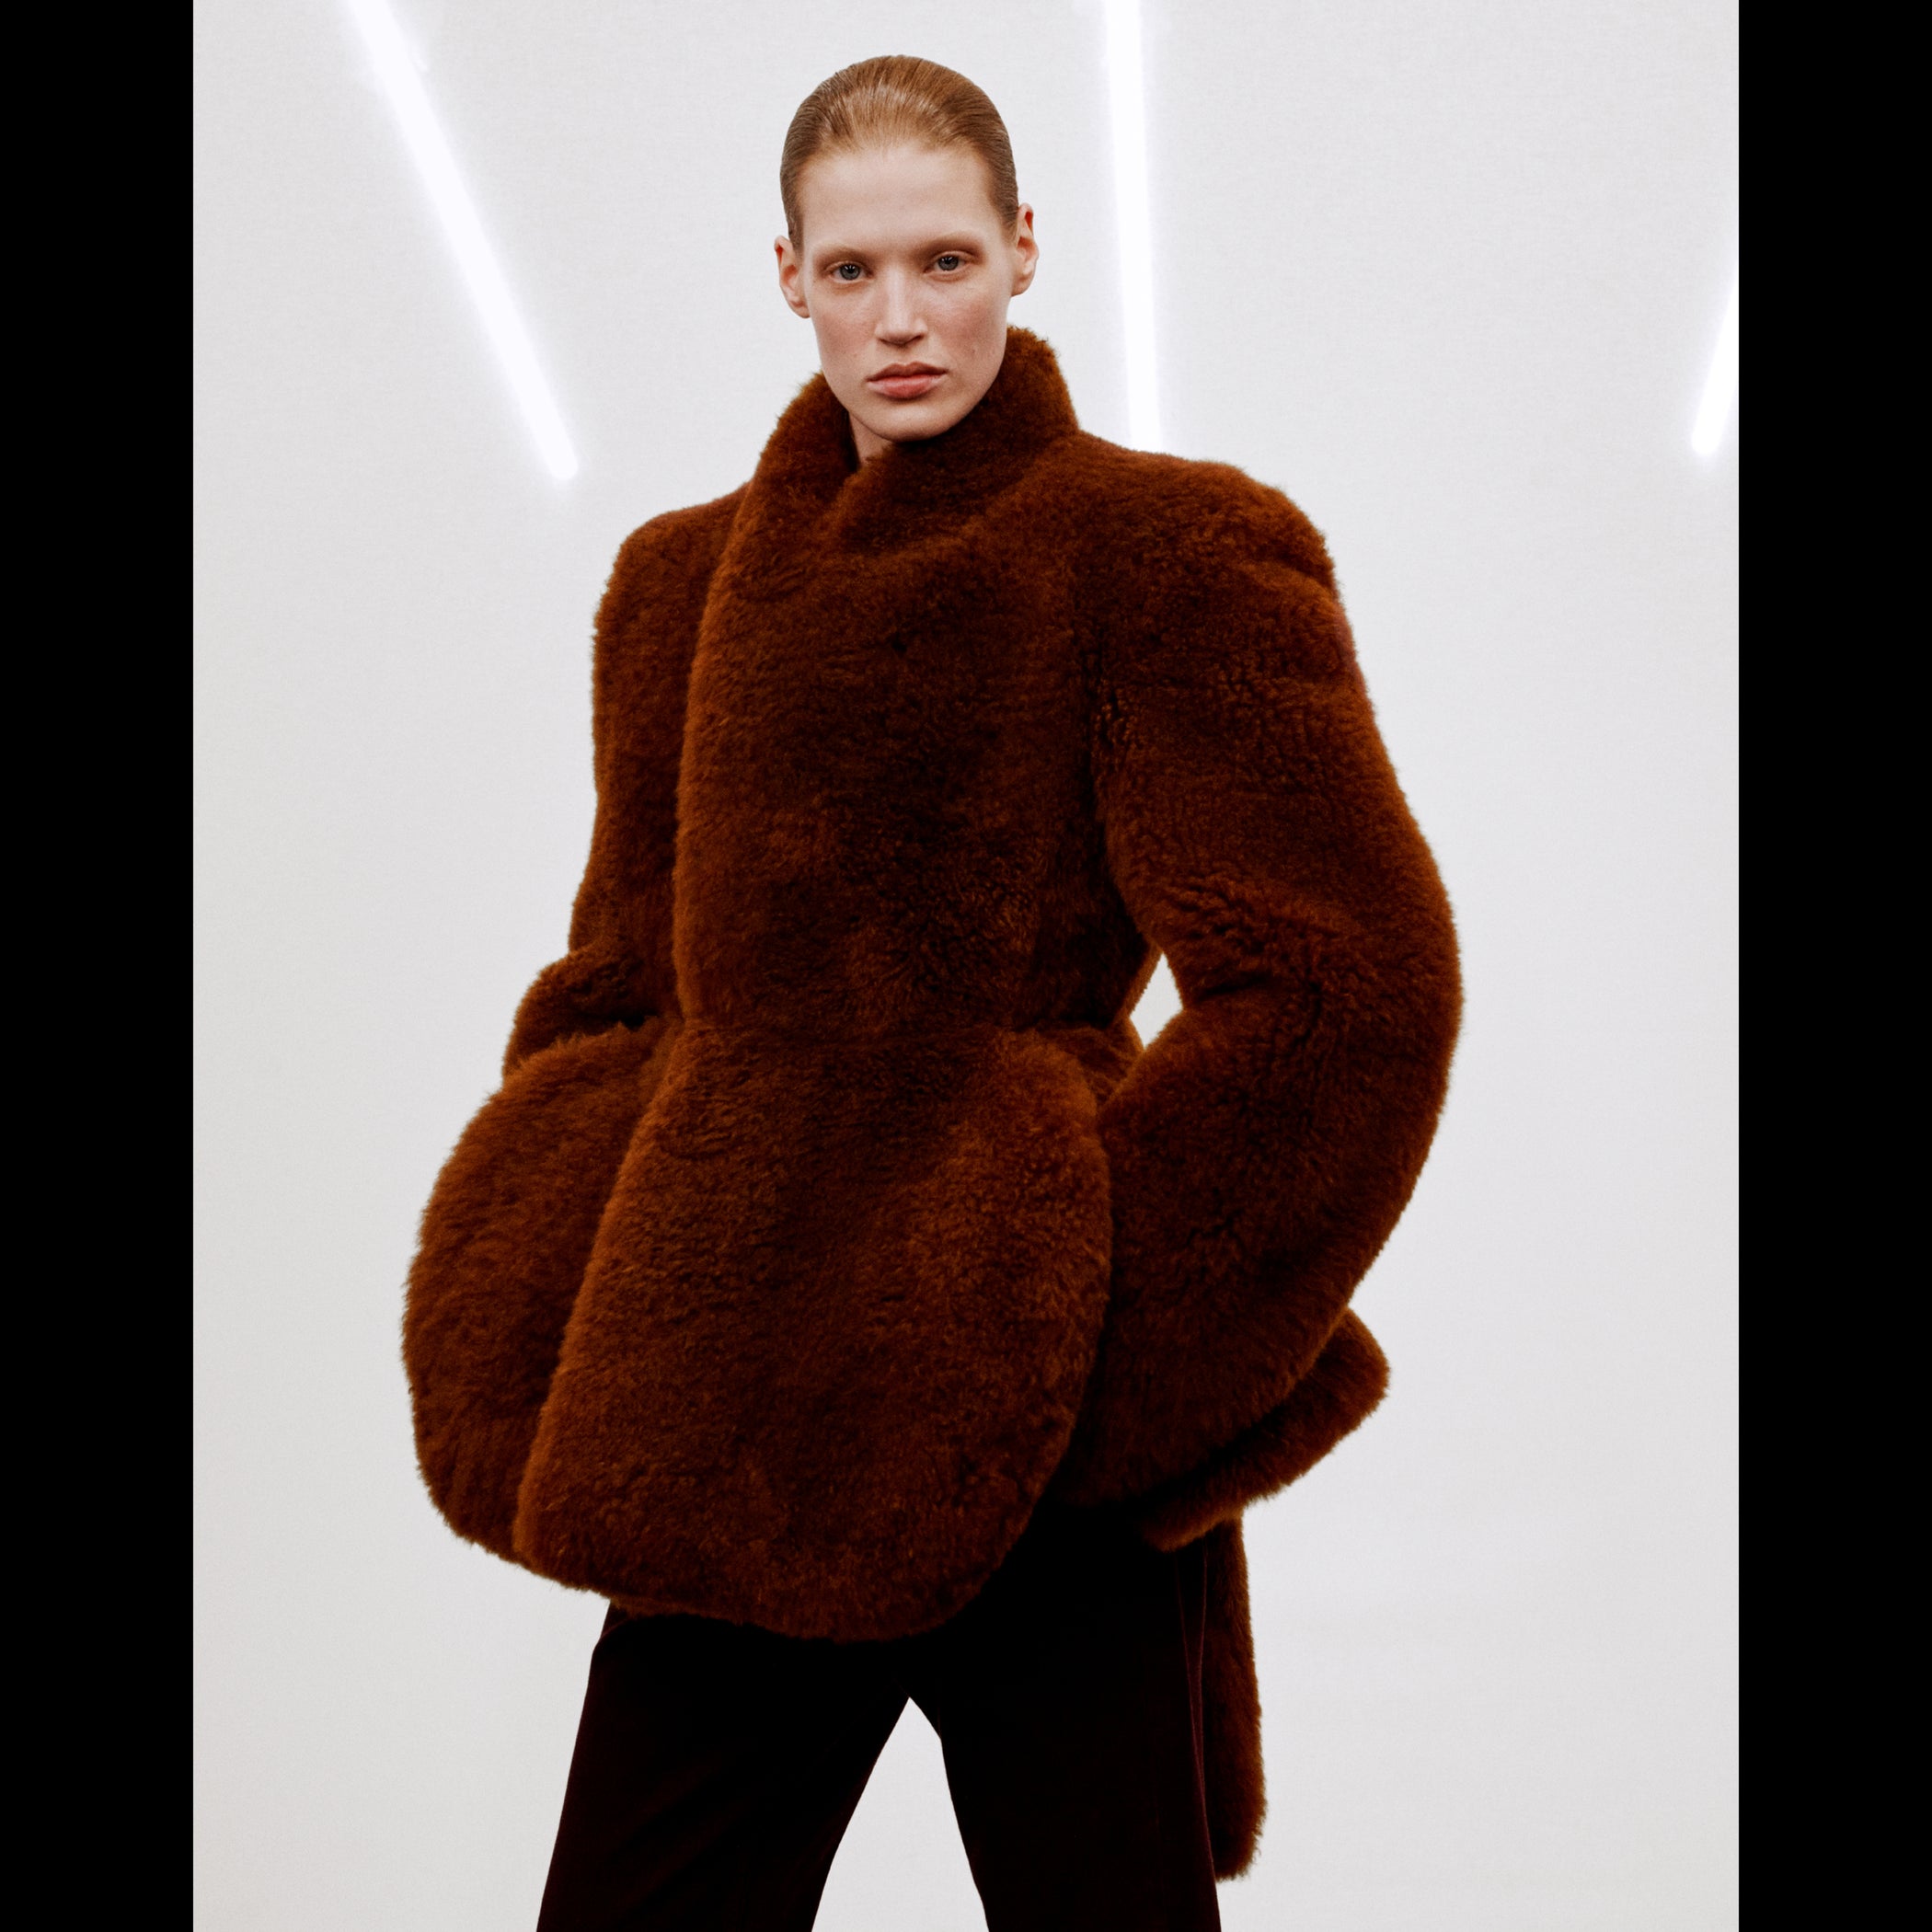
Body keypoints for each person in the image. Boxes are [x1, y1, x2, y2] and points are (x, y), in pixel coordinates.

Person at [404, 53, 1460, 1932]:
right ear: (790, 278)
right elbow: (620, 986)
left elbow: (1343, 989)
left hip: (1041, 1433)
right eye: (854, 270)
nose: (902, 317)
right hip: (735, 1405)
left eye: (946, 260)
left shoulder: (1166, 551)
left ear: (1025, 250)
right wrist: (546, 1288)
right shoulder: (677, 589)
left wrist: (1100, 1358)